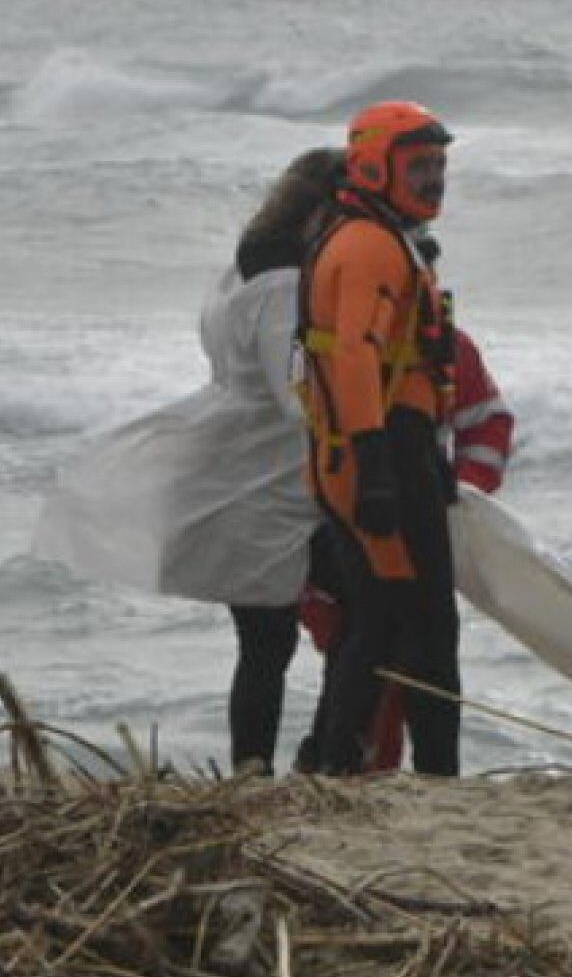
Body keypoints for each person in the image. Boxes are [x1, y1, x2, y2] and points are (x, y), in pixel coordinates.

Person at [32, 146, 343, 775]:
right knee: (324, 626)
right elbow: (295, 398)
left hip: (236, 465)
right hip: (271, 479)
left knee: (266, 640)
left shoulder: (241, 271)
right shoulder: (285, 285)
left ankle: (258, 770)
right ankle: (304, 761)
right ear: (321, 213)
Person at [298, 100, 462, 776]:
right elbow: (356, 357)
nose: (434, 180)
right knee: (414, 624)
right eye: (419, 165)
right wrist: (377, 466)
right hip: (377, 450)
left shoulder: (380, 237)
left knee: (389, 619)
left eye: (439, 166)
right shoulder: (367, 247)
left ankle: (337, 763)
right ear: (373, 165)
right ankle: (426, 775)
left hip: (393, 445)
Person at [298, 324, 515, 772]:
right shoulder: (329, 347)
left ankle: (410, 775)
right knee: (358, 651)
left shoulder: (447, 345)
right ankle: (349, 768)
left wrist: (463, 495)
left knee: (413, 656)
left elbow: (488, 422)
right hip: (337, 530)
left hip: (417, 522)